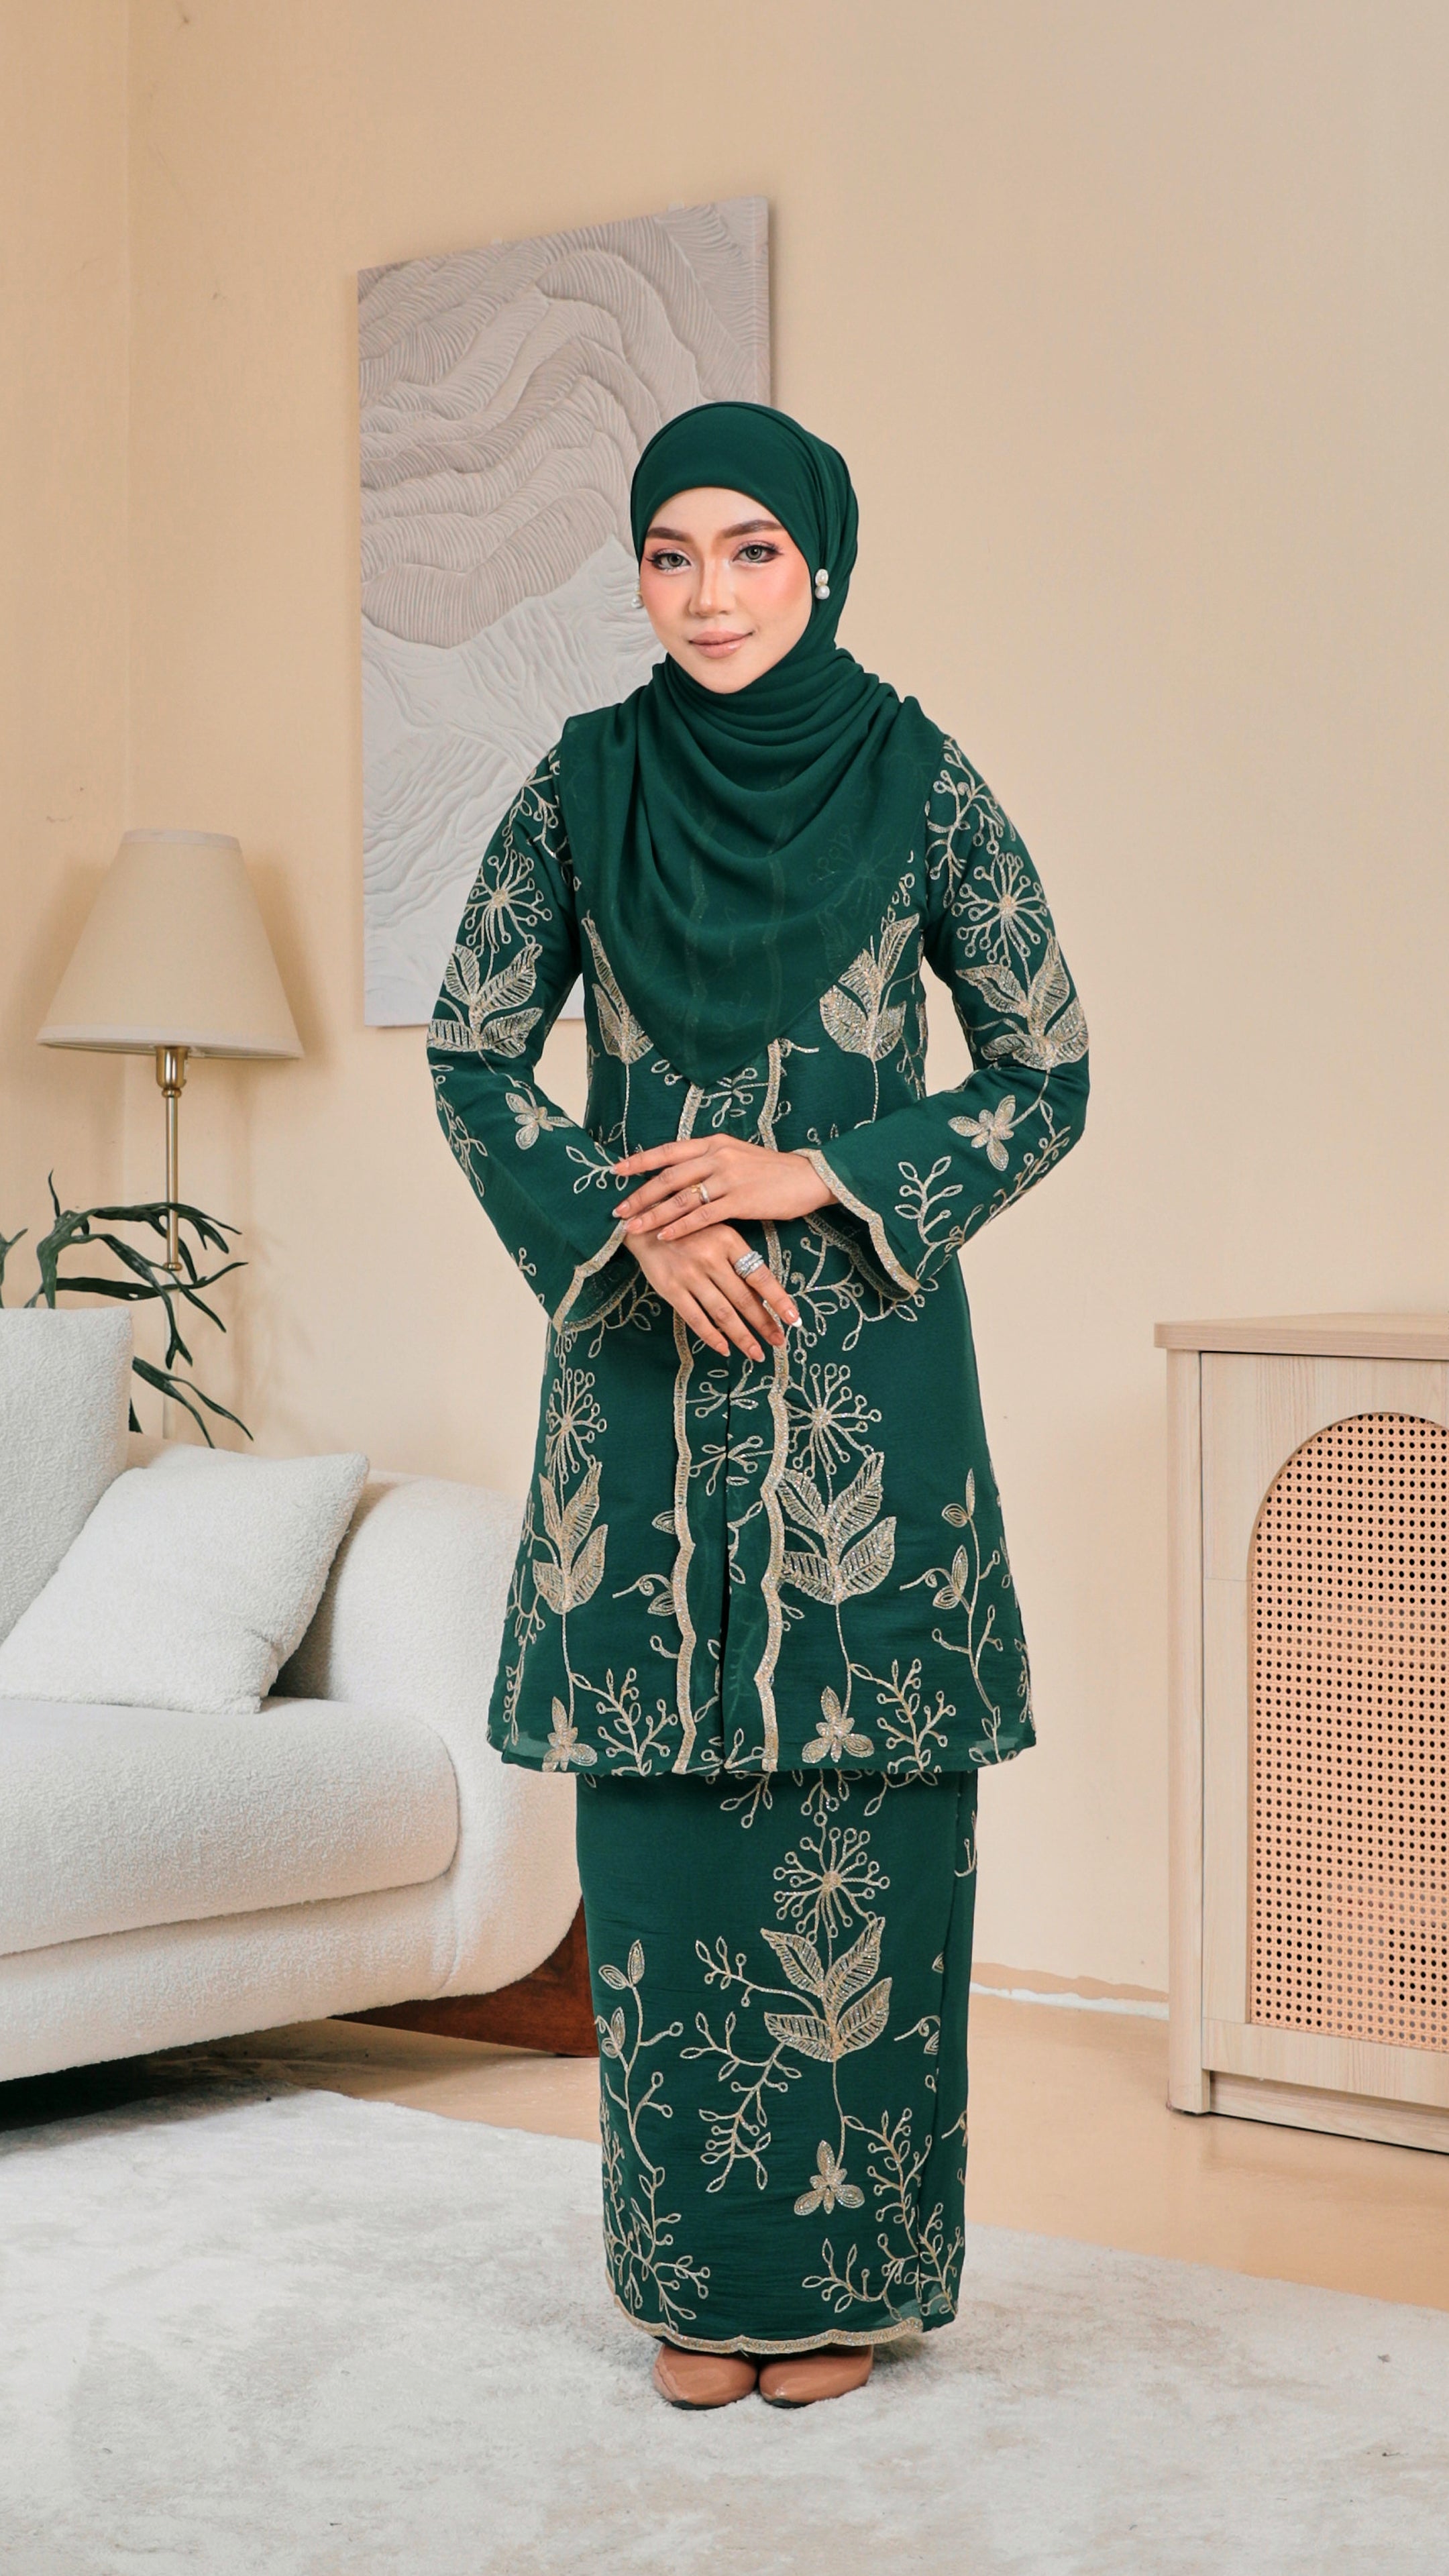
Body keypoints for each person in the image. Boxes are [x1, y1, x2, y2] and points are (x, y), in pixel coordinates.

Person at [428, 402, 1089, 2409]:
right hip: (641, 1379)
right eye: (670, 555)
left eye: (751, 553)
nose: (709, 595)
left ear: (823, 565)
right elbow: (472, 1055)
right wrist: (632, 1229)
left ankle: (852, 2286)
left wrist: (822, 1176)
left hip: (861, 1382)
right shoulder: (581, 787)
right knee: (663, 1847)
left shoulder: (920, 778)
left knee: (867, 1832)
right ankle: (695, 2289)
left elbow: (1046, 1068)